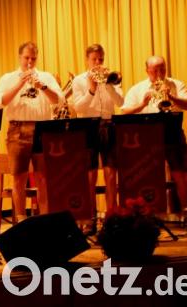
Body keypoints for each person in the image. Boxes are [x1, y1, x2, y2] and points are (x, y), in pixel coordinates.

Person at [0, 42, 62, 222]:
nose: (30, 62)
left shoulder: (45, 77)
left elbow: (59, 100)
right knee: (19, 178)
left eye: (33, 58)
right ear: (19, 57)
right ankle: (22, 220)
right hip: (17, 129)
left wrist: (43, 87)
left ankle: (45, 220)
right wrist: (20, 83)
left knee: (43, 178)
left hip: (42, 129)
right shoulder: (8, 78)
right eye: (26, 58)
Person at [121, 55, 187, 217]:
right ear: (147, 70)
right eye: (155, 70)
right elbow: (125, 111)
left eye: (162, 69)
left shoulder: (176, 84)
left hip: (173, 133)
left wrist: (172, 97)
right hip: (147, 136)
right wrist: (142, 104)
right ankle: (148, 216)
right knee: (147, 176)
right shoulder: (137, 89)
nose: (159, 73)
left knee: (181, 175)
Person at [71, 44, 124, 212]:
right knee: (90, 174)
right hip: (88, 126)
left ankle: (112, 215)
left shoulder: (112, 78)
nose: (98, 63)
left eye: (100, 59)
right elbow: (78, 107)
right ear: (87, 60)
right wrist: (91, 90)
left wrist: (108, 85)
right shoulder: (79, 80)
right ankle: (90, 216)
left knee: (111, 173)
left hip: (109, 124)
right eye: (94, 59)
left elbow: (121, 103)